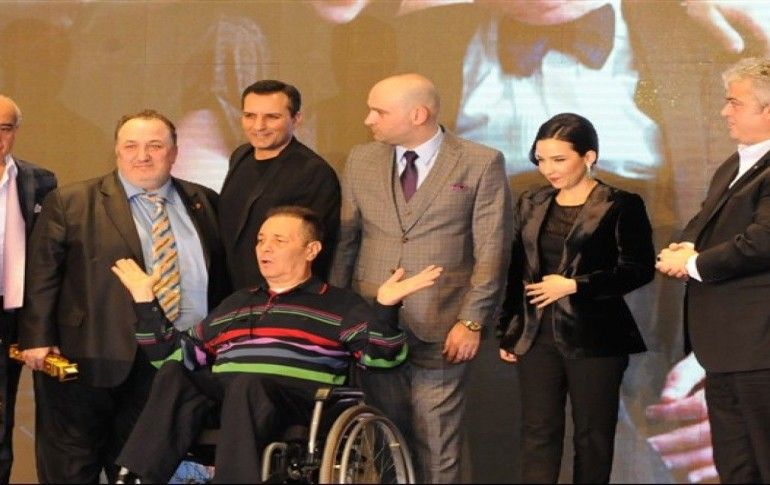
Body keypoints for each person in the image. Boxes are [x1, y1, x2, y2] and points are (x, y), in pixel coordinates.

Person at [113, 206, 442, 483]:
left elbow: (382, 360)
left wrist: (385, 308)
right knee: (174, 373)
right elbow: (172, 356)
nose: (264, 248)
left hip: (297, 401)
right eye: (260, 240)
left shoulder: (340, 305)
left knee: (247, 384)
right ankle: (136, 477)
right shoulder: (237, 302)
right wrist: (145, 302)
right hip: (228, 398)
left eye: (278, 241)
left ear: (311, 250)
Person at [17, 109, 230, 483]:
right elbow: (41, 274)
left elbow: (221, 278)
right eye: (131, 146)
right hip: (87, 357)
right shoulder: (71, 201)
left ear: (174, 151)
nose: (142, 156)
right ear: (116, 150)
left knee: (141, 469)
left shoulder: (204, 201)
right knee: (72, 467)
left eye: (155, 146)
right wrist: (37, 338)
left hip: (171, 362)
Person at [330, 73, 513, 483]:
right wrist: (337, 315)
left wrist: (472, 321)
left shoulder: (480, 162)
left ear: (418, 114)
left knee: (437, 440)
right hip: (373, 325)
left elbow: (492, 250)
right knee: (382, 438)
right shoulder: (361, 159)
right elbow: (346, 241)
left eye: (379, 111)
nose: (368, 119)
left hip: (442, 327)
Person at [498, 113, 655, 483]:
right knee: (538, 432)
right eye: (540, 159)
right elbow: (515, 269)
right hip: (536, 336)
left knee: (593, 435)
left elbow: (638, 269)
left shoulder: (620, 204)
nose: (548, 169)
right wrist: (508, 328)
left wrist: (575, 285)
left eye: (558, 159)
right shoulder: (531, 201)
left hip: (596, 338)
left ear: (589, 157)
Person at [656, 56, 770, 483]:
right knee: (736, 466)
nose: (724, 112)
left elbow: (763, 241)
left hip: (760, 348)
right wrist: (688, 245)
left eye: (734, 102)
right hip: (726, 349)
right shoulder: (735, 164)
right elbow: (705, 220)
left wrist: (693, 263)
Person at [219, 80, 340, 290]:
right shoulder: (241, 156)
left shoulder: (314, 172)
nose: (258, 126)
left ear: (296, 119)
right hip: (231, 290)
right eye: (250, 116)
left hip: (277, 294)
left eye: (272, 117)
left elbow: (315, 249)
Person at [0, 95, 57, 483]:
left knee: (4, 421)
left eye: (4, 128)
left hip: (18, 316)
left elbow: (51, 254)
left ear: (16, 132)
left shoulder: (40, 180)